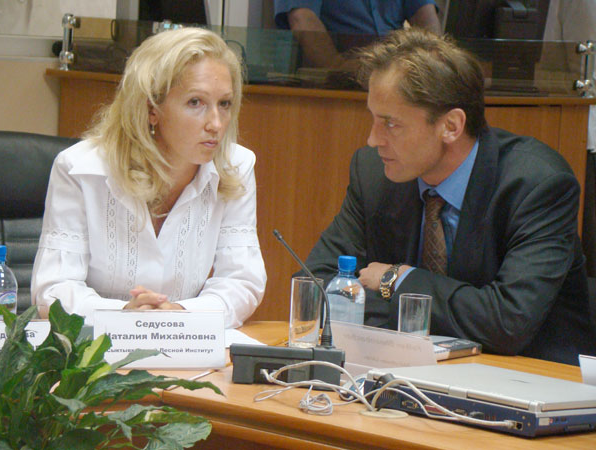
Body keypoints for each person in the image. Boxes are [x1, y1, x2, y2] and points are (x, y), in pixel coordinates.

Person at [304, 27, 596, 365]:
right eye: (373, 119)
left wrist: (396, 280)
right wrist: (443, 308)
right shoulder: (374, 174)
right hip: (409, 375)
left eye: (391, 124)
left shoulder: (537, 185)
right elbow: (315, 286)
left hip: (530, 379)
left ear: (451, 126)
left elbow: (507, 323)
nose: (373, 139)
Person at [31, 27, 267, 328]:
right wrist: (125, 316)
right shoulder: (81, 170)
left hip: (186, 342)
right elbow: (53, 291)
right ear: (151, 109)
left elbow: (242, 281)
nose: (216, 124)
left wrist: (179, 313)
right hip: (97, 348)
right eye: (196, 102)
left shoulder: (236, 167)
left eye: (224, 104)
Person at [274, 0, 441, 69]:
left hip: (396, 78)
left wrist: (433, 62)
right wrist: (339, 68)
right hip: (333, 83)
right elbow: (302, 18)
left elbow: (425, 16)